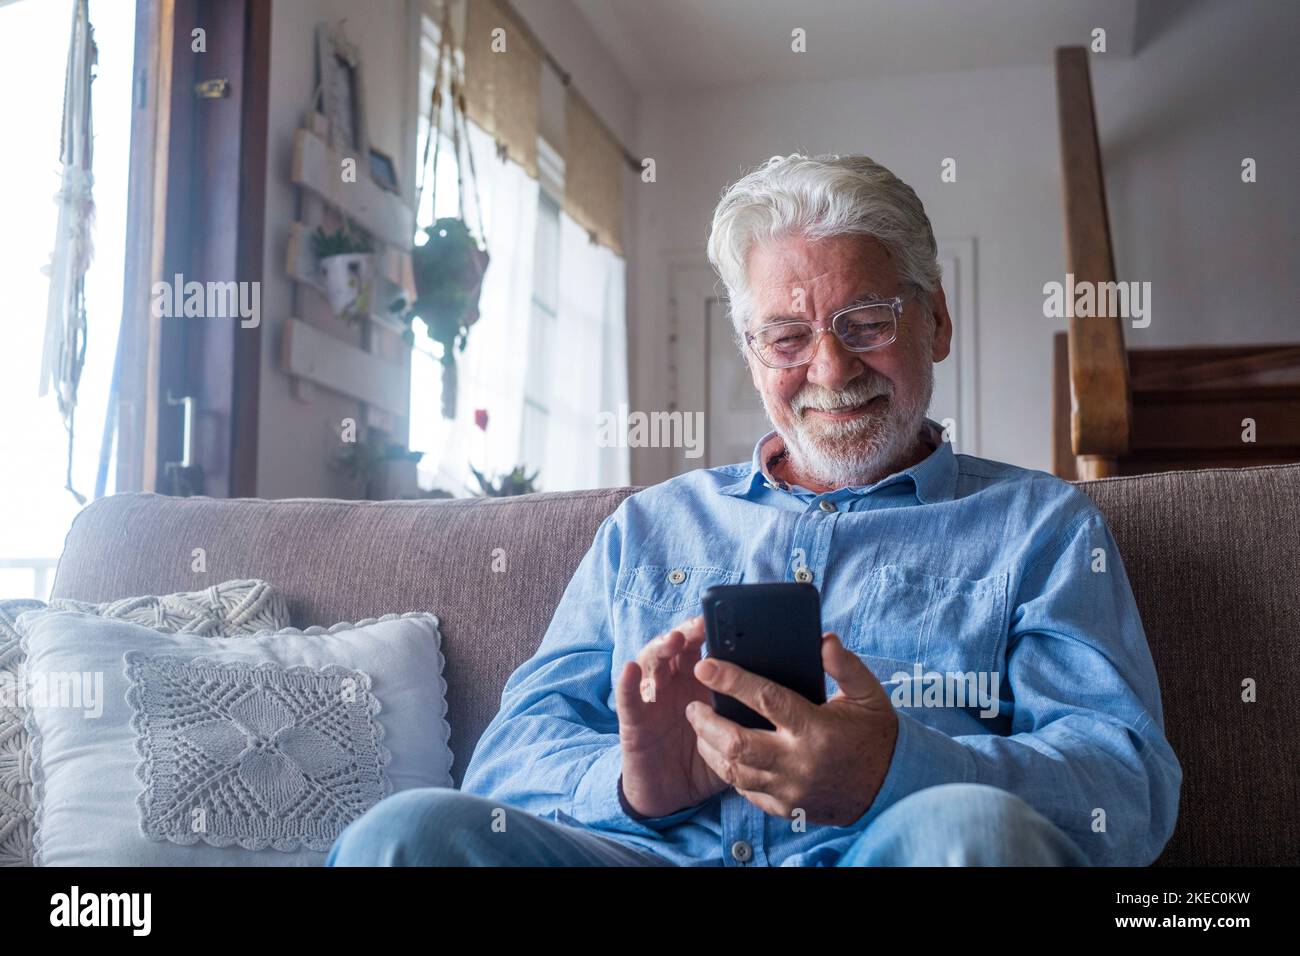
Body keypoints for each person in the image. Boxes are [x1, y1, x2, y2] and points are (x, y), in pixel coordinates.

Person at [328, 154, 1181, 867]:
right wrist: (633, 786)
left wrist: (899, 769)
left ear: (937, 322)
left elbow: (1126, 785)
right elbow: (507, 765)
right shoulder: (645, 529)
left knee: (972, 834)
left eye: (867, 320)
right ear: (751, 354)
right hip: (653, 854)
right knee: (404, 836)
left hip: (887, 851)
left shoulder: (1042, 528)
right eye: (788, 337)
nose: (832, 367)